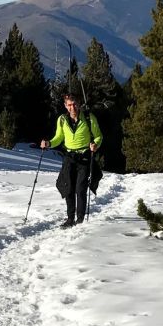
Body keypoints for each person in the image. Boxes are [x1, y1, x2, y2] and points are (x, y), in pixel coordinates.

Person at [40, 91, 102, 227]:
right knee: (68, 187)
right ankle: (70, 218)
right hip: (69, 157)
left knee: (80, 188)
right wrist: (49, 143)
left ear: (79, 104)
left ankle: (79, 220)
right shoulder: (62, 119)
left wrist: (95, 144)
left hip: (84, 156)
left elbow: (98, 136)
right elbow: (58, 138)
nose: (72, 107)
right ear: (65, 105)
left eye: (74, 104)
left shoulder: (89, 117)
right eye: (69, 105)